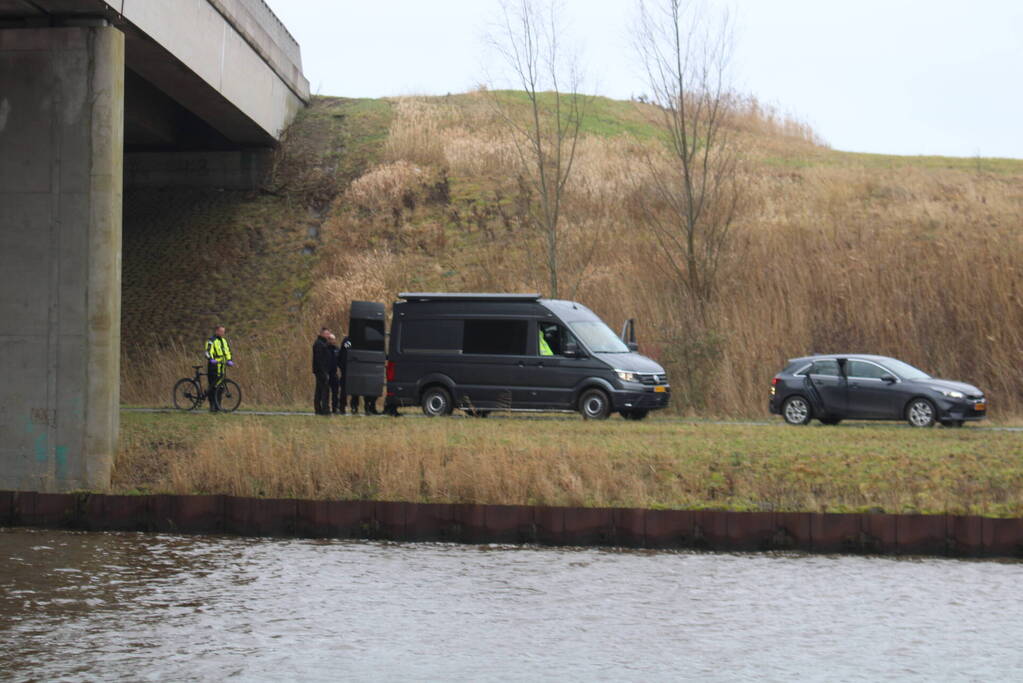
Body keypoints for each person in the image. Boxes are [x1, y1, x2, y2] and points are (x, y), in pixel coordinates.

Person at [205, 325, 234, 412]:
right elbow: (207, 352)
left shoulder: (224, 341)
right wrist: (211, 359)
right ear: (216, 331)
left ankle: (218, 406)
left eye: (223, 332)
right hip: (213, 366)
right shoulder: (211, 341)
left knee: (220, 387)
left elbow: (228, 351)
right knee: (212, 386)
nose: (222, 333)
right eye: (221, 331)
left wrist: (229, 360)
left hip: (222, 366)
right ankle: (212, 406)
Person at [312, 327, 333, 416]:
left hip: (323, 370)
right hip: (321, 371)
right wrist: (323, 372)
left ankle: (319, 409)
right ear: (322, 334)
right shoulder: (319, 344)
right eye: (327, 334)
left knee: (320, 390)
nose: (329, 335)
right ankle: (324, 409)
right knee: (324, 391)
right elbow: (319, 359)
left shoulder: (324, 343)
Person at [327, 333, 343, 415]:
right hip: (326, 373)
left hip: (334, 373)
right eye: (330, 339)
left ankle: (335, 408)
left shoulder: (337, 349)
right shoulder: (325, 349)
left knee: (335, 392)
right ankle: (326, 408)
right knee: (326, 392)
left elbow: (340, 361)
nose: (332, 341)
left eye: (333, 339)